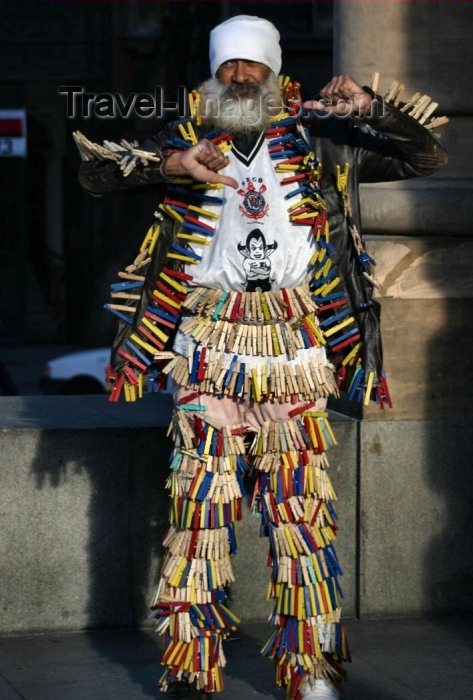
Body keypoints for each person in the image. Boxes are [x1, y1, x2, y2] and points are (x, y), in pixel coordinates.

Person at [77, 15, 447, 700]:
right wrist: (169, 167)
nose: (241, 77)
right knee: (198, 513)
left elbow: (427, 159)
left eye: (253, 67)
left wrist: (373, 108)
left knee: (299, 513)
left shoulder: (322, 136)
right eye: (228, 67)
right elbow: (97, 174)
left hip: (293, 344)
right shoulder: (184, 137)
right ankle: (191, 667)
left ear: (275, 73)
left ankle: (309, 668)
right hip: (208, 343)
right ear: (213, 76)